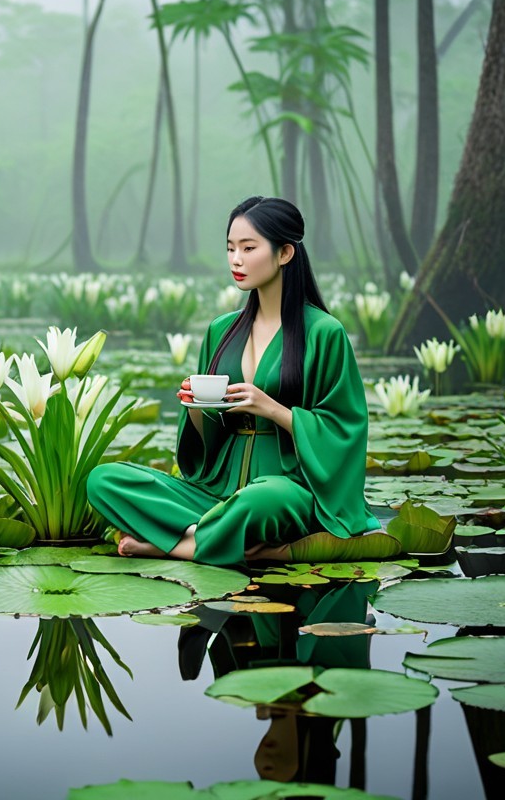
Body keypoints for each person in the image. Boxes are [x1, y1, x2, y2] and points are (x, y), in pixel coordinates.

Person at [87, 196, 377, 566]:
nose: (235, 259)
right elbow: (204, 445)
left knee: (261, 500)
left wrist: (272, 409)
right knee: (104, 480)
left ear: (285, 253)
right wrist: (195, 409)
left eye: (248, 248)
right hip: (217, 491)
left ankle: (178, 545)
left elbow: (344, 431)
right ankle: (231, 541)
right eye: (230, 248)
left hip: (288, 487)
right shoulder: (221, 330)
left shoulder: (324, 333)